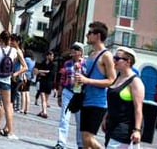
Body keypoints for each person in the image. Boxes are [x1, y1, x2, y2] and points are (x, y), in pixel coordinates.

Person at [76, 21, 116, 149]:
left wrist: (88, 81)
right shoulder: (91, 55)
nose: (87, 35)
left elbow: (111, 80)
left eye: (89, 33)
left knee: (88, 138)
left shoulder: (106, 55)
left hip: (98, 102)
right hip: (86, 100)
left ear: (97, 35)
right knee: (84, 139)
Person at [0, 30, 26, 139]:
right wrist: (15, 74)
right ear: (9, 40)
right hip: (6, 78)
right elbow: (25, 66)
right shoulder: (14, 51)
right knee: (8, 105)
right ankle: (11, 132)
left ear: (0, 39)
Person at [102, 46, 144, 149]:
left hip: (124, 128)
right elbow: (113, 102)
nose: (114, 60)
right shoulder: (118, 78)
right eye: (114, 58)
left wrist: (137, 130)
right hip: (111, 125)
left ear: (128, 61)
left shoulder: (135, 82)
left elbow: (138, 108)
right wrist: (105, 117)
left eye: (117, 58)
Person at [56, 42, 86, 149]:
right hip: (68, 92)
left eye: (76, 49)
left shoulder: (86, 64)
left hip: (79, 95)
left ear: (81, 52)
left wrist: (81, 69)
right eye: (72, 48)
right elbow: (62, 79)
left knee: (80, 121)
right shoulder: (67, 63)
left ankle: (81, 145)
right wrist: (59, 95)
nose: (73, 51)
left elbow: (88, 79)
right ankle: (61, 142)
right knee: (64, 118)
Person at [35, 50, 55, 117]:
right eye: (51, 55)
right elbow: (38, 72)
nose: (52, 57)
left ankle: (44, 112)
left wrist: (41, 71)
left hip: (48, 83)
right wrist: (42, 72)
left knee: (45, 99)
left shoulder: (52, 64)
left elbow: (50, 73)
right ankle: (43, 111)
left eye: (52, 56)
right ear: (47, 56)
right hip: (43, 82)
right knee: (44, 99)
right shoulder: (43, 63)